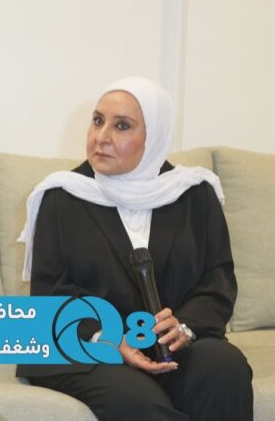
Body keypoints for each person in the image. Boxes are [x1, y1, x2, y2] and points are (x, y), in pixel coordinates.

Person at [15, 77, 253, 420]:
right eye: (98, 121)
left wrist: (184, 327)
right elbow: (50, 293)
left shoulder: (193, 192)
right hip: (85, 344)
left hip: (172, 345)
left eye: (122, 126)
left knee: (225, 369)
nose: (101, 137)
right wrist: (112, 338)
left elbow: (217, 283)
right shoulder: (61, 195)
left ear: (154, 136)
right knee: (141, 402)